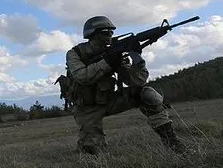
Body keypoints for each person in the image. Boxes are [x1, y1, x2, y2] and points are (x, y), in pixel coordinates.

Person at [65, 15, 188, 156]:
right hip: (86, 109)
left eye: (111, 32)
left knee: (148, 94)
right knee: (92, 153)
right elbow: (82, 77)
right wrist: (108, 62)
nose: (110, 36)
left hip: (108, 101)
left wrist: (137, 57)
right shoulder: (75, 53)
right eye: (105, 33)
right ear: (93, 35)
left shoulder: (113, 53)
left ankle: (173, 144)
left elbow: (136, 82)